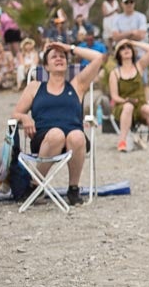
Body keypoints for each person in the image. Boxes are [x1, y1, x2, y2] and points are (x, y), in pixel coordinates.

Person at [10, 42, 106, 206]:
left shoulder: (77, 85)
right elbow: (15, 114)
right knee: (56, 134)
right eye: (54, 56)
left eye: (62, 56)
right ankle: (36, 185)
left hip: (74, 140)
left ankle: (73, 189)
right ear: (46, 66)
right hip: (44, 139)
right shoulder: (35, 87)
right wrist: (25, 118)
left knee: (76, 135)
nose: (59, 58)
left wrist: (70, 48)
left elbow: (98, 58)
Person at [110, 40, 149, 151]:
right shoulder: (115, 73)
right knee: (128, 107)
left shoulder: (139, 67)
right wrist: (126, 101)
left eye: (129, 47)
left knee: (148, 109)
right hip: (122, 106)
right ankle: (122, 142)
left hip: (139, 105)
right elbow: (114, 96)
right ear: (118, 53)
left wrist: (133, 42)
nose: (126, 49)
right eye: (122, 48)